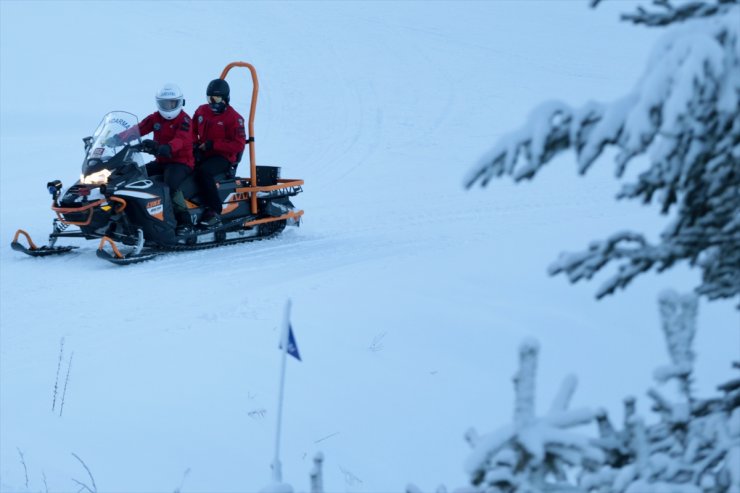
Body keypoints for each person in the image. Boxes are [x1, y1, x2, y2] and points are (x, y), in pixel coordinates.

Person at [107, 83, 194, 232]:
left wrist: (166, 147)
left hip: (180, 162)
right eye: (164, 103)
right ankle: (129, 216)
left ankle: (184, 221)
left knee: (170, 185)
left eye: (171, 103)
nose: (168, 107)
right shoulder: (156, 118)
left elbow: (181, 139)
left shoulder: (184, 121)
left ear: (179, 102)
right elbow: (139, 129)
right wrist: (117, 138)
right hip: (162, 161)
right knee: (134, 176)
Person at [192, 78, 247, 226]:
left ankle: (214, 210)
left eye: (216, 98)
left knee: (204, 172)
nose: (212, 102)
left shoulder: (234, 119)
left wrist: (213, 145)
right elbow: (191, 131)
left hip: (223, 157)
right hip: (204, 152)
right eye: (209, 98)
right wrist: (193, 145)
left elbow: (238, 144)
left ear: (225, 98)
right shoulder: (201, 111)